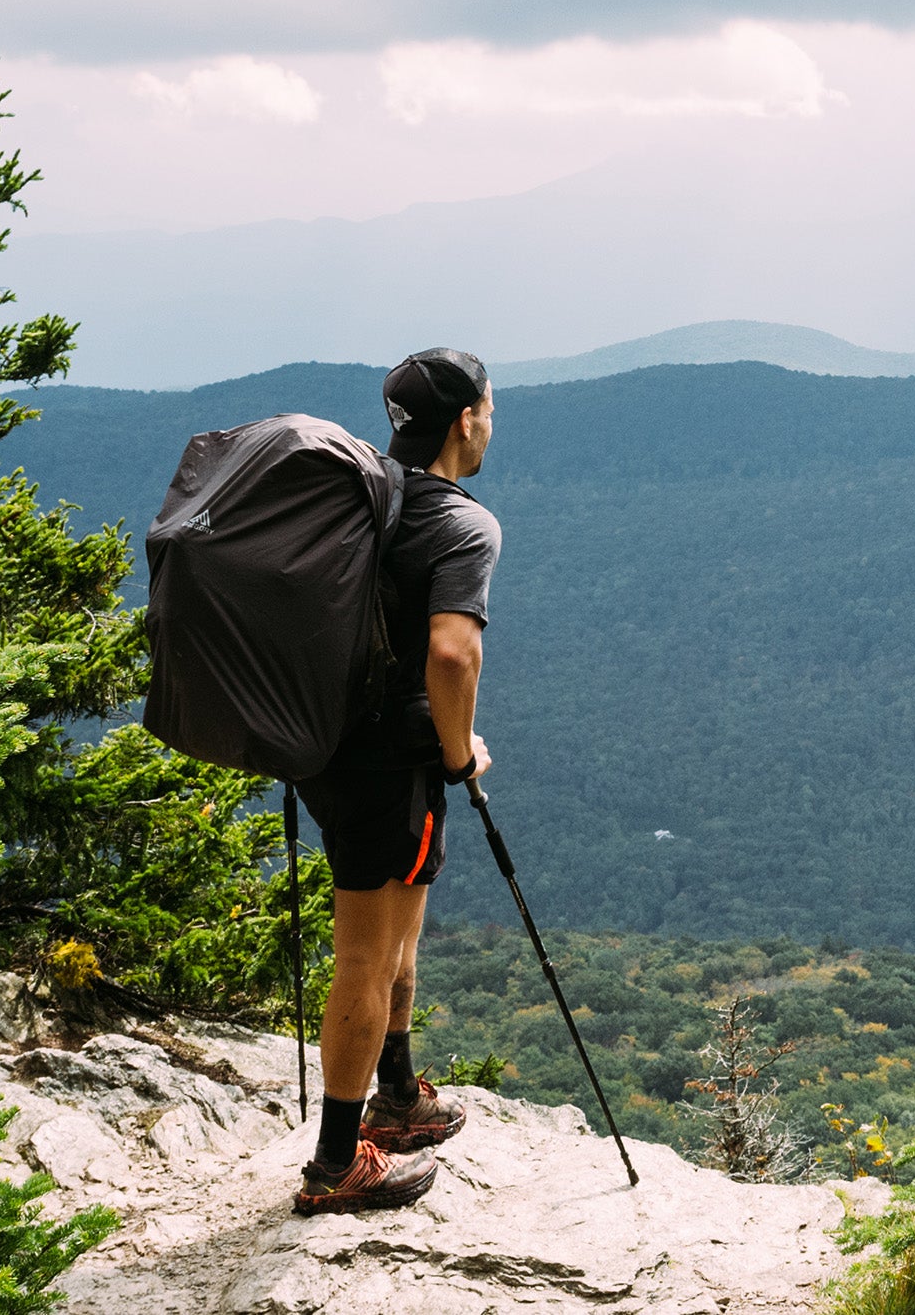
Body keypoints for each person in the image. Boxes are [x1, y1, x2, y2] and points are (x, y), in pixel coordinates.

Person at [292, 348, 503, 1214]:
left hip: (328, 743)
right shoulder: (460, 524)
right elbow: (453, 651)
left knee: (398, 937)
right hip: (389, 761)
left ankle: (399, 1097)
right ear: (465, 420)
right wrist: (459, 753)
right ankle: (337, 1165)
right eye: (490, 409)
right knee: (366, 957)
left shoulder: (360, 495)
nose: (491, 424)